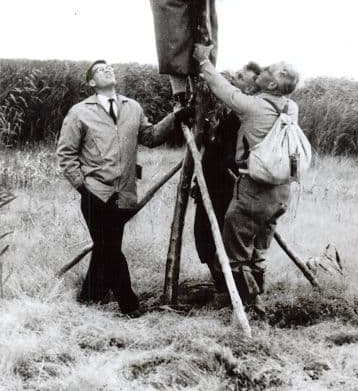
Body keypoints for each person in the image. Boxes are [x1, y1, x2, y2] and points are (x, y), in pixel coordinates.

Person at [57, 60, 192, 317]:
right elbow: (66, 153)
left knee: (105, 247)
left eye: (108, 67)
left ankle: (90, 297)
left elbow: (150, 137)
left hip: (124, 195)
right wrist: (82, 187)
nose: (106, 69)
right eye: (99, 70)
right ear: (91, 83)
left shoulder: (133, 107)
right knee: (110, 248)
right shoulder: (80, 112)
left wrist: (174, 118)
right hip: (94, 192)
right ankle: (130, 305)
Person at [193, 44, 300, 315]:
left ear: (273, 83)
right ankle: (256, 298)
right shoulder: (291, 108)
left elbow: (223, 89)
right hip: (281, 192)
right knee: (259, 251)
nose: (262, 71)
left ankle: (246, 307)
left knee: (236, 251)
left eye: (267, 71)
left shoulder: (254, 108)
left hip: (254, 190)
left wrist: (204, 61)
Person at [192, 62, 262, 288]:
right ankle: (224, 285)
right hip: (211, 184)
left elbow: (232, 154)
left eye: (242, 77)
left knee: (224, 239)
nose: (235, 77)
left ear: (251, 88)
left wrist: (214, 140)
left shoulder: (248, 114)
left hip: (228, 187)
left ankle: (233, 288)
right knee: (205, 237)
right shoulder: (231, 111)